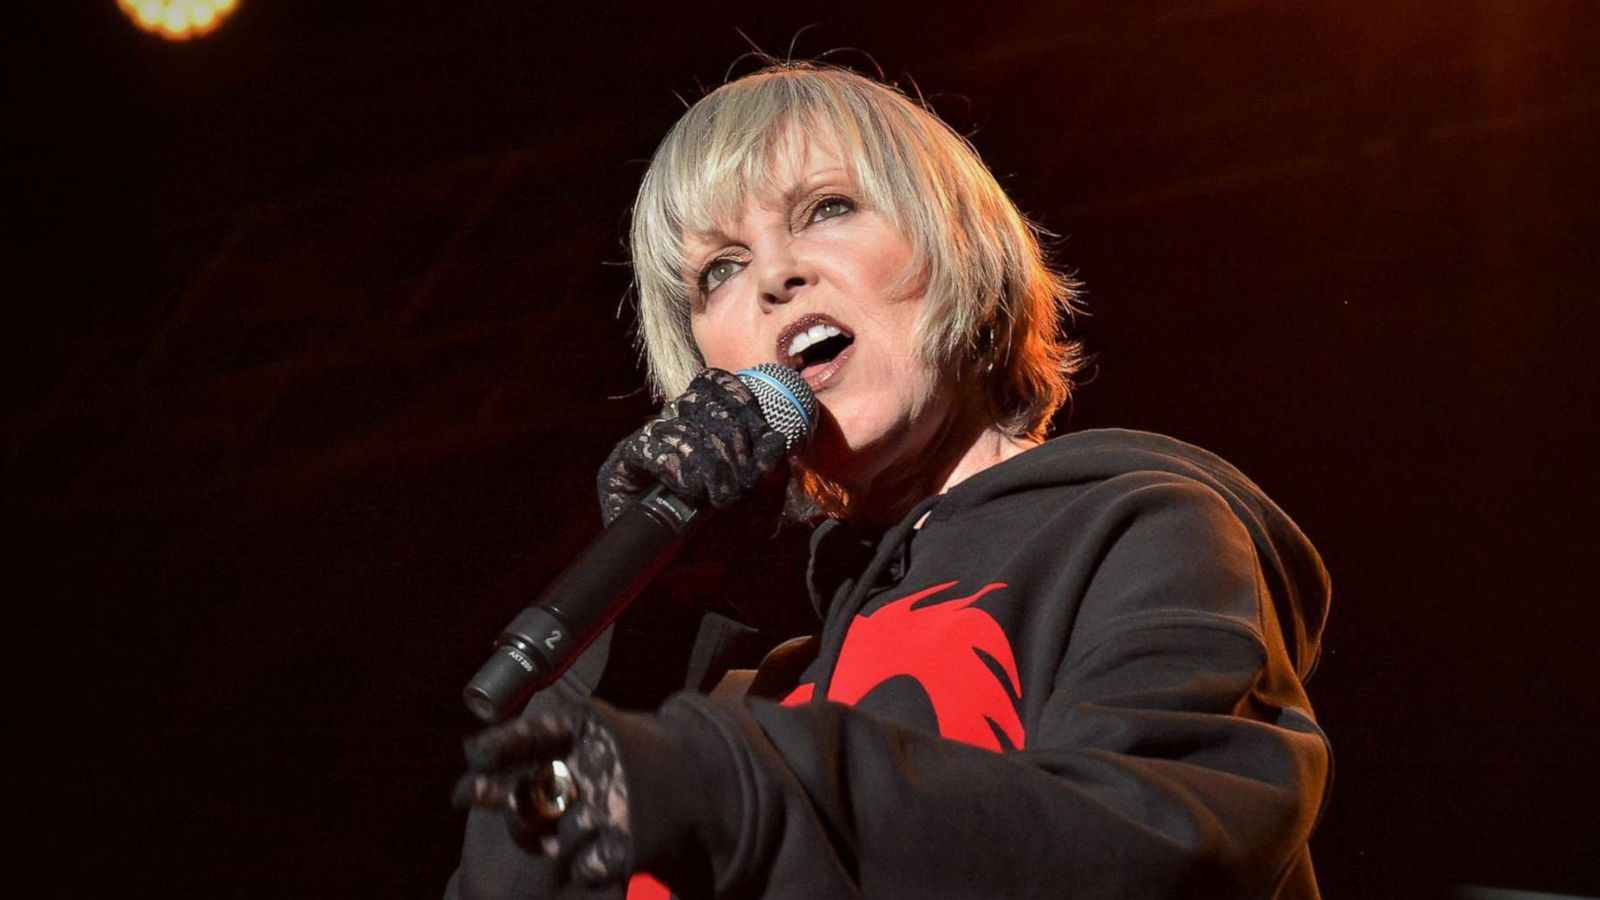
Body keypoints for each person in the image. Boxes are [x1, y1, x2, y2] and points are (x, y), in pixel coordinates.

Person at [447, 61, 1331, 899]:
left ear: (958, 244)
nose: (773, 278)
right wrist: (638, 618)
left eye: (826, 208)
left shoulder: (1143, 528)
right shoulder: (751, 684)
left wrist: (739, 788)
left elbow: (1155, 839)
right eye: (718, 269)